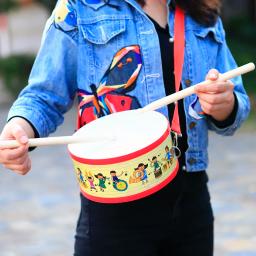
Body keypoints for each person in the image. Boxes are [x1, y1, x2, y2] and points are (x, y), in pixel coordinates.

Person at [0, 0, 250, 255]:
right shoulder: (79, 6)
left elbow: (236, 102)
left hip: (191, 203)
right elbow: (44, 95)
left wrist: (225, 104)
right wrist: (19, 127)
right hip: (114, 199)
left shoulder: (202, 9)